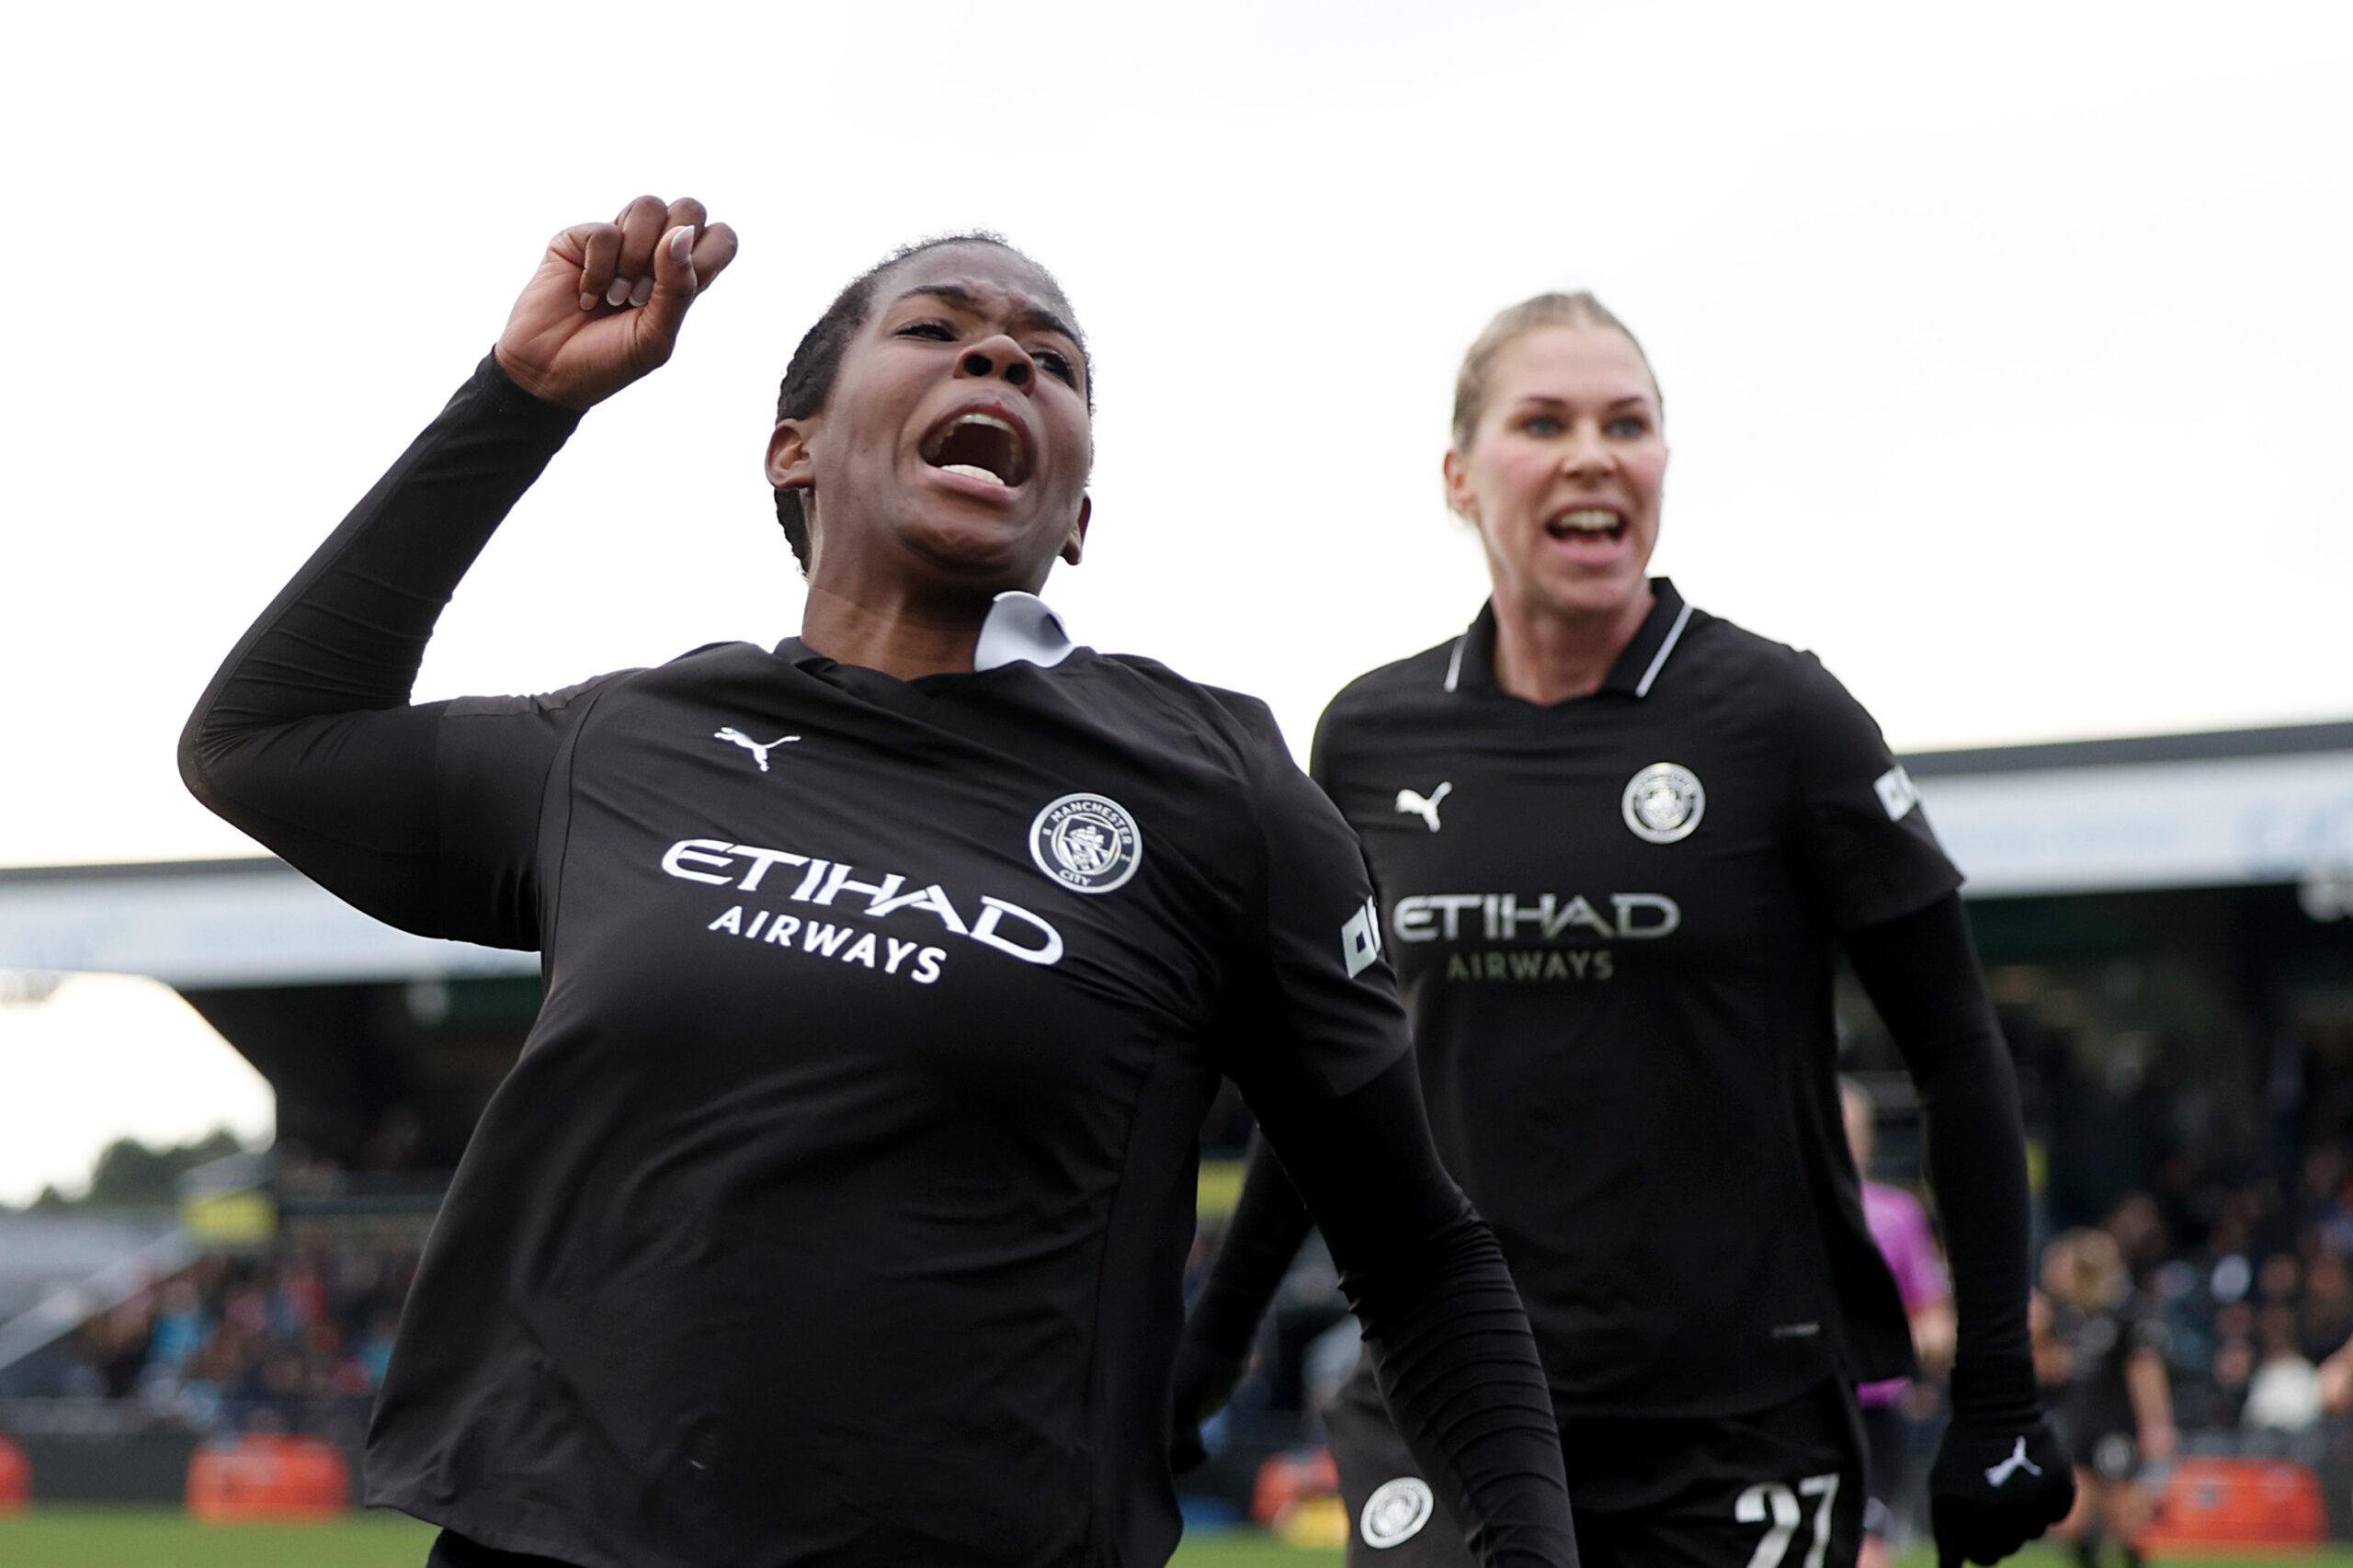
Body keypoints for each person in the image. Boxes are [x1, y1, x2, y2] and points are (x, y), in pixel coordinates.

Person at [179, 197, 1576, 1568]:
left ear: (1077, 513)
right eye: (935, 329)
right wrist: (521, 399)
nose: (1003, 356)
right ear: (795, 449)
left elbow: (1418, 1253)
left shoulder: (1217, 786)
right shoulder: (626, 742)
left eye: (1052, 359)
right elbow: (260, 743)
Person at [1170, 292, 2074, 1568]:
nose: (1593, 455)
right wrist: (1208, 1349)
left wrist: (1997, 1389)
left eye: (1627, 424)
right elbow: (1330, 1085)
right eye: (1544, 423)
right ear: (1459, 475)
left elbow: (1960, 1049)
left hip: (1733, 1418)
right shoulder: (1370, 735)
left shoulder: (1782, 716)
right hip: (1452, 1398)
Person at [1841, 1080, 1957, 1568]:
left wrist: (1888, 1344)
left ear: (1868, 1139)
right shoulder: (1778, 1211)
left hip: (1872, 1414)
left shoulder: (1897, 1215)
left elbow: (1938, 1326)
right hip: (1796, 1406)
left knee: (1867, 1549)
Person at [2035, 1230, 2173, 1568]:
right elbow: (2050, 1368)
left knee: (2124, 1518)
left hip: (2117, 1424)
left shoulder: (2127, 1314)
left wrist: (2156, 1425)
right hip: (2080, 1423)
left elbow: (2145, 1371)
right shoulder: (2068, 1317)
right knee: (2070, 1521)